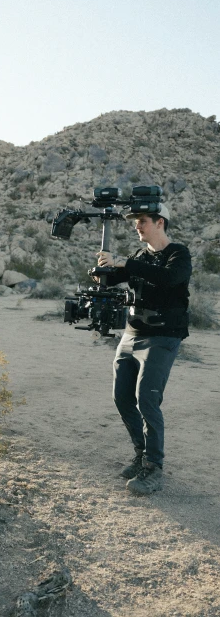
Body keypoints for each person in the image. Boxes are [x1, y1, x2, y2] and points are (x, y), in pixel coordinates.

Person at [96, 203, 192, 496]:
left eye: (142, 221)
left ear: (159, 222)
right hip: (131, 335)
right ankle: (141, 453)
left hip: (163, 336)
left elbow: (168, 278)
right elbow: (117, 278)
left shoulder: (178, 253)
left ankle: (154, 466)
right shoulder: (139, 256)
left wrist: (124, 263)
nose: (137, 226)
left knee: (146, 399)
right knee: (122, 397)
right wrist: (102, 271)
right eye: (135, 221)